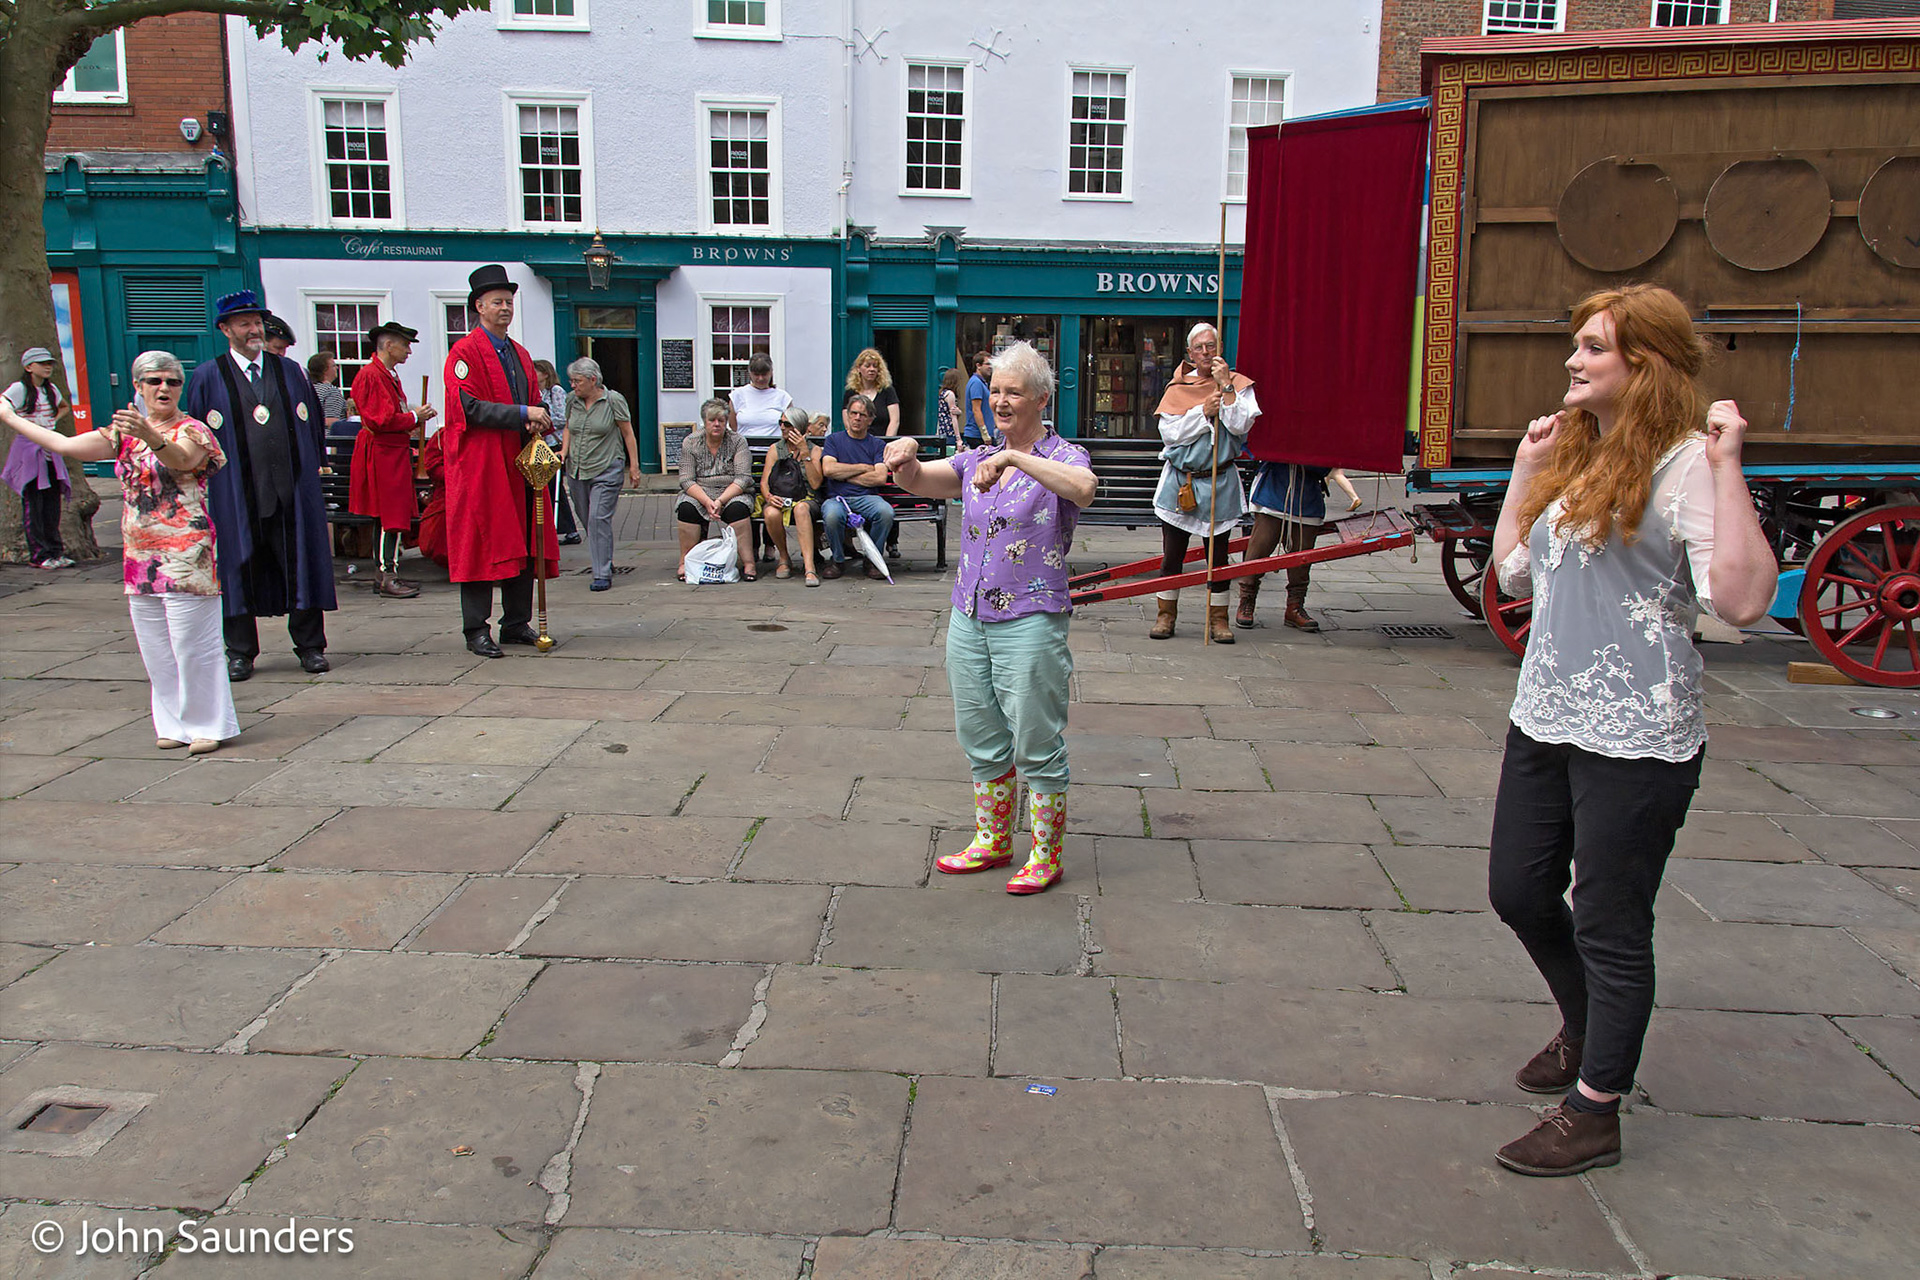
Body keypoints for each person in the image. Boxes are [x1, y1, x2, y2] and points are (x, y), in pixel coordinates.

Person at [1485, 285, 1777, 1177]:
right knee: (1519, 891)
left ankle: (1596, 1108)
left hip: (1640, 731)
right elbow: (1512, 575)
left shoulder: (1686, 464)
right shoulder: (1580, 451)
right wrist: (1523, 479)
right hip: (1547, 714)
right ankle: (1590, 1026)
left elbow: (1742, 600)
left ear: (1644, 363)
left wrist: (1730, 468)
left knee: (1611, 920)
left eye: (1594, 349)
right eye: (1575, 346)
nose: (1574, 361)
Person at [883, 342, 1096, 893]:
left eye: (1013, 392)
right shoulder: (975, 457)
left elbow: (1085, 491)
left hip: (1030, 616)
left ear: (1041, 399)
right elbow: (921, 479)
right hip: (968, 614)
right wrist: (903, 458)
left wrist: (1016, 458)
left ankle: (1046, 855)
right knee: (978, 730)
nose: (1000, 401)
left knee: (1035, 737)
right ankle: (994, 841)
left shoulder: (1064, 457)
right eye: (995, 390)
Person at [2, 351, 237, 753]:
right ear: (138, 387)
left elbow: (181, 460)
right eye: (154, 381)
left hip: (185, 550)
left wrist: (150, 435)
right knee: (156, 646)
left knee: (192, 643)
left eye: (172, 381)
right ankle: (173, 724)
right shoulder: (122, 431)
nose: (164, 388)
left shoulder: (193, 429)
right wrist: (8, 416)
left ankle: (208, 725)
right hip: (139, 553)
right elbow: (66, 445)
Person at [185, 289, 336, 681]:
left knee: (299, 562)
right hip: (235, 493)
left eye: (256, 323)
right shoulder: (207, 376)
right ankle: (240, 652)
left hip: (291, 490)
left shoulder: (289, 372)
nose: (253, 329)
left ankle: (310, 646)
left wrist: (315, 467)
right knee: (237, 567)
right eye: (243, 323)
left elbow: (313, 424)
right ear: (225, 329)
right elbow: (195, 434)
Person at [442, 264, 560, 658]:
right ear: (479, 306)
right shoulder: (464, 352)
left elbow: (531, 398)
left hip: (518, 463)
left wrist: (538, 413)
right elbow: (468, 408)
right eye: (497, 302)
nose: (506, 308)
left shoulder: (520, 354)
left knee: (526, 540)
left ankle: (515, 622)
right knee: (480, 543)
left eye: (509, 301)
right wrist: (523, 413)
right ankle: (476, 628)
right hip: (482, 466)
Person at [1150, 322, 1257, 644]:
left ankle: (1218, 619)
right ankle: (1165, 615)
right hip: (1182, 482)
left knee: (1218, 557)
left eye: (1212, 346)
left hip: (1219, 479)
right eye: (1200, 347)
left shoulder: (1237, 384)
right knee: (1173, 555)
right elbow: (1171, 435)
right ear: (1190, 353)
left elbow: (1241, 426)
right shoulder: (1177, 388)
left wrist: (1225, 389)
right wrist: (1202, 413)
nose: (1206, 353)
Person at [348, 321, 436, 599]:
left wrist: (409, 420)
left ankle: (386, 572)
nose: (408, 351)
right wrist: (413, 417)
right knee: (389, 515)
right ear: (389, 345)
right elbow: (380, 419)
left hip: (390, 450)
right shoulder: (373, 376)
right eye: (405, 344)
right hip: (383, 452)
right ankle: (387, 574)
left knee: (389, 515)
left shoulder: (385, 375)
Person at [1236, 462, 1360, 632]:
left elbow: (1328, 465)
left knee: (1302, 556)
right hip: (1274, 489)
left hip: (1307, 495)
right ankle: (1246, 601)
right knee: (1260, 548)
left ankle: (1295, 608)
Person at [560, 357, 638, 592]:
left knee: (597, 519)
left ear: (592, 380)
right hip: (577, 469)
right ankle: (605, 557)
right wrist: (563, 451)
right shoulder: (571, 400)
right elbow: (567, 427)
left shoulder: (613, 400)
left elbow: (627, 433)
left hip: (606, 467)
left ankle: (601, 573)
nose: (573, 385)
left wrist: (634, 467)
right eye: (571, 381)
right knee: (587, 520)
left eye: (577, 381)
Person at [3, 347, 74, 568]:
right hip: (28, 450)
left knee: (52, 504)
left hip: (50, 448)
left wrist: (52, 420)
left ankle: (55, 552)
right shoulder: (18, 389)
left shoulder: (51, 389)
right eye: (42, 363)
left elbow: (64, 407)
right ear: (28, 367)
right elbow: (4, 406)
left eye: (50, 363)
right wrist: (25, 423)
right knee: (33, 504)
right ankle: (40, 555)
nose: (47, 367)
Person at [677, 398, 756, 582]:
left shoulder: (737, 441)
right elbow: (686, 479)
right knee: (686, 508)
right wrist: (706, 501)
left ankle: (748, 562)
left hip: (732, 490)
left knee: (739, 509)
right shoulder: (690, 442)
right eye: (712, 420)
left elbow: (743, 477)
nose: (716, 424)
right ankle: (684, 561)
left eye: (721, 420)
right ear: (704, 421)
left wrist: (720, 501)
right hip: (700, 490)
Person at [820, 394, 894, 581]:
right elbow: (828, 469)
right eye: (853, 413)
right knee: (831, 515)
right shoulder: (833, 441)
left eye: (862, 415)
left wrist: (843, 475)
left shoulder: (877, 444)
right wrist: (862, 467)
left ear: (870, 419)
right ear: (847, 415)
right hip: (837, 498)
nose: (857, 418)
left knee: (885, 512)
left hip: (867, 497)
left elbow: (879, 477)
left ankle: (872, 559)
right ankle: (837, 560)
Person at [760, 404, 823, 584]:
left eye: (787, 424)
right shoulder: (775, 449)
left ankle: (809, 567)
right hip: (781, 497)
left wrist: (804, 453)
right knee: (770, 512)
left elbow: (816, 483)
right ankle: (784, 558)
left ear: (798, 427)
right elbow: (764, 482)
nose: (782, 427)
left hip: (808, 498)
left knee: (801, 509)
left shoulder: (815, 450)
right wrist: (769, 498)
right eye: (780, 423)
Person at [533, 359, 580, 546]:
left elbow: (563, 417)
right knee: (545, 488)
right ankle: (555, 528)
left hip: (554, 444)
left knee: (554, 487)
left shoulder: (556, 392)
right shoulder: (535, 392)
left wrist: (543, 418)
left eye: (535, 371)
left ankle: (569, 529)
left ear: (545, 373)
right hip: (541, 444)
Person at [728, 354, 794, 441]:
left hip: (775, 450)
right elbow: (733, 426)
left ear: (771, 372)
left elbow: (790, 426)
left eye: (764, 374)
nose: (760, 378)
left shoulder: (783, 397)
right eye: (756, 375)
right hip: (745, 450)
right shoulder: (737, 395)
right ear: (750, 373)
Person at [842, 348, 900, 436]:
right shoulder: (850, 392)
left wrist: (887, 442)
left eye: (875, 366)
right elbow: (847, 422)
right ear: (858, 368)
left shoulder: (887, 391)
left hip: (882, 442)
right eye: (867, 366)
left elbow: (894, 421)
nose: (872, 369)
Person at [307, 352, 349, 426]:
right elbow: (331, 421)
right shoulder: (331, 391)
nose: (337, 368)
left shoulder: (308, 389)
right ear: (324, 370)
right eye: (333, 366)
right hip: (327, 436)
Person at [964, 349, 993, 446]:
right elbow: (976, 409)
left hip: (981, 435)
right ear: (978, 366)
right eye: (987, 364)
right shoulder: (976, 383)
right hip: (977, 436)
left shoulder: (981, 383)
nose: (990, 367)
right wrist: (984, 434)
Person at [934, 366, 963, 446]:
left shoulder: (942, 393)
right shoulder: (950, 394)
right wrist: (958, 439)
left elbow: (941, 415)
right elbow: (953, 417)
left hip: (942, 431)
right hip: (949, 432)